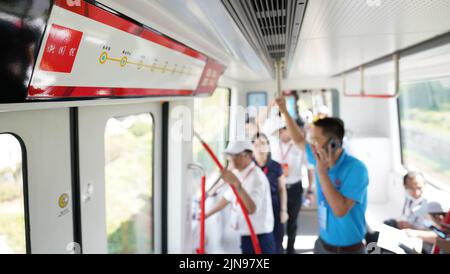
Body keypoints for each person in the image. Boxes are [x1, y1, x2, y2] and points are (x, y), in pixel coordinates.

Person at [275, 96, 369, 254]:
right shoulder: (318, 154)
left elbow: (340, 210)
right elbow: (298, 139)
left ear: (333, 143)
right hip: (322, 244)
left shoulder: (356, 169)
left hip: (348, 250)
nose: (312, 144)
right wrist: (284, 111)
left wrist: (322, 173)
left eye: (316, 140)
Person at [204, 141, 275, 254]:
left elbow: (251, 209)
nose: (232, 159)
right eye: (230, 156)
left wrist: (237, 185)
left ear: (249, 156)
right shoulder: (239, 173)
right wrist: (206, 214)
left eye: (237, 155)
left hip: (259, 235)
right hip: (246, 233)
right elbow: (227, 198)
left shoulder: (257, 178)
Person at [260, 108, 314, 254]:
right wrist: (272, 106)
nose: (294, 133)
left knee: (292, 222)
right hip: (276, 188)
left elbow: (310, 168)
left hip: (295, 187)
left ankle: (290, 250)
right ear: (283, 130)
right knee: (276, 220)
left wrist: (310, 190)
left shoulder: (301, 147)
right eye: (290, 129)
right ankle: (278, 249)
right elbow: (261, 126)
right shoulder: (273, 141)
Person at [252, 133, 288, 254]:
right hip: (255, 208)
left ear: (268, 146)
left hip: (274, 207)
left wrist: (283, 210)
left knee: (276, 241)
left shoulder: (276, 166)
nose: (260, 147)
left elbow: (282, 189)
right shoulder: (249, 167)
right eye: (256, 144)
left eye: (263, 143)